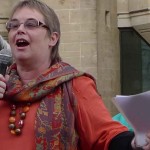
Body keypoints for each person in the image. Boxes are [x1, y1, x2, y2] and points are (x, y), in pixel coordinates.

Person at [0, 0, 149, 150]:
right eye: (13, 25)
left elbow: (105, 135)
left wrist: (136, 143)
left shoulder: (75, 85)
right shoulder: (3, 87)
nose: (19, 29)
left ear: (53, 38)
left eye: (31, 24)